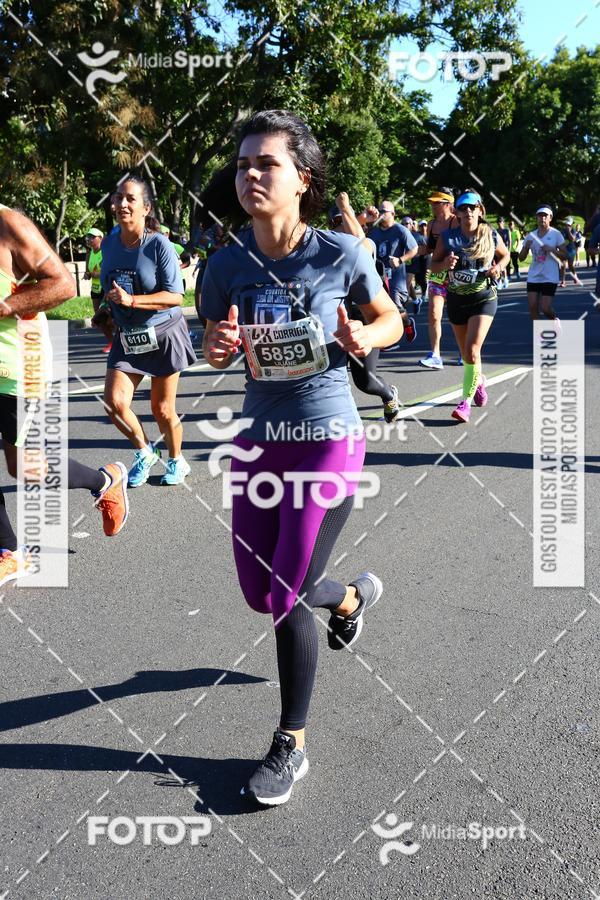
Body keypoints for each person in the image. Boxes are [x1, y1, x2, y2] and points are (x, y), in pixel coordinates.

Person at [200, 109, 402, 806]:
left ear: (302, 179)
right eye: (242, 164)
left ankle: (292, 743)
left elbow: (391, 319)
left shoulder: (341, 254)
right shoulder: (225, 264)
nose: (250, 174)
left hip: (329, 439)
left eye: (267, 164)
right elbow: (211, 340)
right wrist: (217, 350)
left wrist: (363, 337)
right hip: (259, 442)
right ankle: (350, 596)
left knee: (285, 593)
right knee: (262, 593)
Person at [0, 205, 129, 586]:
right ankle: (9, 551)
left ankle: (104, 481)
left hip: (16, 364)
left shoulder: (8, 225)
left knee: (21, 465)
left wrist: (4, 305)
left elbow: (62, 285)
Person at [101, 176, 196, 487]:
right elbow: (109, 285)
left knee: (162, 409)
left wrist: (132, 300)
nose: (122, 204)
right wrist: (106, 310)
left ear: (146, 207)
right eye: (118, 198)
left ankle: (176, 460)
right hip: (129, 335)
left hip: (163, 332)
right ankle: (144, 452)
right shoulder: (110, 242)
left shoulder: (159, 244)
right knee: (114, 402)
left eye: (130, 198)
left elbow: (175, 296)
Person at [429, 189, 509, 423]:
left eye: (472, 208)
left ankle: (465, 403)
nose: (468, 212)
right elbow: (433, 266)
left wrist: (498, 267)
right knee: (467, 354)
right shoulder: (447, 237)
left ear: (480, 210)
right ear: (457, 212)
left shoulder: (490, 234)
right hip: (456, 299)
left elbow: (504, 256)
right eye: (463, 208)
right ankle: (479, 380)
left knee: (473, 350)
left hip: (483, 298)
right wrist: (444, 262)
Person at [329, 194, 401, 423]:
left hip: (366, 323)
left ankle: (389, 394)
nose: (341, 227)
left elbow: (357, 242)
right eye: (336, 222)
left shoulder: (367, 244)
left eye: (344, 220)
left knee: (365, 382)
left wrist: (347, 209)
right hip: (334, 326)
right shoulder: (325, 250)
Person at [366, 200, 417, 345]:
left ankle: (407, 324)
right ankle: (387, 340)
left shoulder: (400, 230)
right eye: (379, 211)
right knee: (379, 307)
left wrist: (400, 260)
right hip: (378, 276)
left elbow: (414, 249)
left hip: (396, 277)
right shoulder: (374, 232)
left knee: (395, 303)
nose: (381, 214)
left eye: (384, 212)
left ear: (393, 214)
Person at [419, 188, 459, 370]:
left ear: (448, 204)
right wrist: (419, 250)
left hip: (456, 275)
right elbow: (429, 248)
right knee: (434, 314)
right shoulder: (432, 224)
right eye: (432, 203)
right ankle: (435, 355)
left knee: (457, 316)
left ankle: (464, 353)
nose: (433, 206)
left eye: (437, 203)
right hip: (437, 273)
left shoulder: (456, 222)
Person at [520, 206, 569, 322]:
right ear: (536, 218)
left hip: (550, 276)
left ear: (550, 218)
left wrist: (552, 249)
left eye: (545, 215)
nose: (542, 218)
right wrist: (526, 247)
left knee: (545, 308)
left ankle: (554, 320)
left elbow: (566, 255)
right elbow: (521, 258)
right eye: (540, 215)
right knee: (532, 307)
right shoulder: (531, 236)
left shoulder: (556, 234)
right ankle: (539, 335)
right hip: (534, 276)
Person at [402, 215, 428, 314]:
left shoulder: (417, 236)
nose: (405, 225)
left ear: (412, 225)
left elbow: (426, 249)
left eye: (407, 223)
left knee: (406, 284)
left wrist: (417, 254)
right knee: (409, 285)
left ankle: (401, 307)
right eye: (403, 223)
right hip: (402, 263)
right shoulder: (399, 234)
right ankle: (416, 301)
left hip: (413, 264)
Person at [558, 217, 582, 287]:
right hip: (563, 250)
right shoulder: (562, 231)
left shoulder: (573, 230)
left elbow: (572, 239)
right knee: (563, 266)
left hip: (571, 250)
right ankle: (563, 281)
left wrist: (568, 231)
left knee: (570, 266)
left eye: (569, 225)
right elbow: (559, 240)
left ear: (571, 225)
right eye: (566, 225)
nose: (567, 226)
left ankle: (575, 276)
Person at [496, 218, 510, 289]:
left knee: (503, 267)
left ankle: (505, 279)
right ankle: (499, 281)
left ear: (503, 223)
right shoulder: (496, 231)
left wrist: (508, 250)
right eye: (498, 222)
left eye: (501, 222)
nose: (499, 223)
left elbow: (509, 241)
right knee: (498, 266)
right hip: (498, 251)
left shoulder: (506, 230)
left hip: (505, 251)